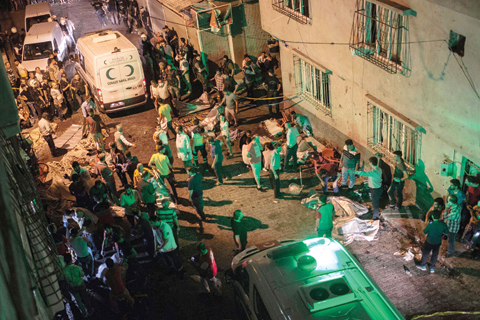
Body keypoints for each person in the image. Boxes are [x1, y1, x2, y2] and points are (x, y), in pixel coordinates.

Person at [348, 154, 383, 220]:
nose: (369, 163)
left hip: (375, 189)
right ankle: (375, 212)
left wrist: (352, 171)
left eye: (369, 162)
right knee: (375, 201)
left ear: (371, 163)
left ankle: (375, 216)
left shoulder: (373, 172)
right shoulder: (379, 169)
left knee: (375, 202)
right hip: (378, 188)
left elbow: (363, 173)